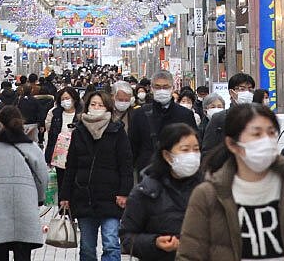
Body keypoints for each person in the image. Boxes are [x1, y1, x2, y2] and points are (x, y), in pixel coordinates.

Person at [178, 104, 284, 261]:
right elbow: (190, 255)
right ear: (233, 144)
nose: (266, 140)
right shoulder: (209, 194)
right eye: (256, 134)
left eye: (271, 133)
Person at [59, 89, 134, 261]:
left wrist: (124, 192)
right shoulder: (79, 131)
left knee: (111, 243)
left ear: (107, 107)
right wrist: (65, 196)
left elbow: (126, 165)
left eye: (100, 105)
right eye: (93, 104)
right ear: (86, 107)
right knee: (86, 247)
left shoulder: (116, 131)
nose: (96, 107)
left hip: (111, 197)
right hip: (85, 196)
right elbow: (71, 166)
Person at [120, 123, 204, 261]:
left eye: (196, 149)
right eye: (185, 150)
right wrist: (155, 242)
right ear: (167, 155)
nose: (192, 155)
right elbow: (127, 237)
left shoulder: (208, 189)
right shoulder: (146, 192)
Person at [0, 106, 49, 261]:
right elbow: (43, 176)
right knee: (23, 252)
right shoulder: (32, 148)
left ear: (1, 124)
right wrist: (40, 198)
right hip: (25, 204)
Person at [130, 71, 198, 173]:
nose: (161, 90)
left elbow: (194, 142)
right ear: (151, 89)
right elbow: (133, 146)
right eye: (157, 87)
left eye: (165, 87)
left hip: (177, 170)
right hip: (148, 171)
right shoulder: (140, 114)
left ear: (172, 88)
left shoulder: (185, 114)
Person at [202, 74, 256, 166]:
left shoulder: (259, 117)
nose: (247, 93)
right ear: (231, 92)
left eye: (250, 89)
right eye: (242, 89)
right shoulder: (220, 118)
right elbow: (208, 151)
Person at [44, 86, 80, 172]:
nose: (65, 101)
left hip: (75, 154)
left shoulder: (81, 115)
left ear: (74, 99)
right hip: (59, 154)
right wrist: (49, 157)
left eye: (67, 98)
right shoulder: (55, 114)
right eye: (62, 99)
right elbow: (51, 136)